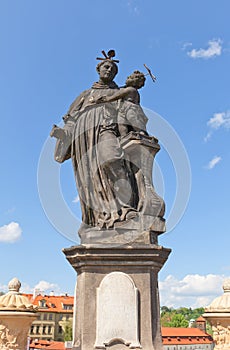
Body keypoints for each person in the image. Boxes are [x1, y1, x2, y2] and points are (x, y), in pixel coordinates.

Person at [50, 56, 138, 232]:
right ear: (98, 69)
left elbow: (130, 111)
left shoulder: (120, 92)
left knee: (112, 160)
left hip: (107, 129)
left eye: (113, 70)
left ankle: (126, 210)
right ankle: (97, 219)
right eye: (106, 67)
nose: (109, 71)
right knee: (89, 179)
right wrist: (63, 134)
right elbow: (71, 120)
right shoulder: (85, 95)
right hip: (84, 138)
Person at [95, 70, 148, 137]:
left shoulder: (131, 89)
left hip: (130, 108)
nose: (128, 79)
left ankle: (141, 132)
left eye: (130, 78)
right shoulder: (127, 89)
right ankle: (124, 136)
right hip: (122, 109)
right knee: (121, 123)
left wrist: (106, 99)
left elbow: (117, 95)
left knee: (133, 119)